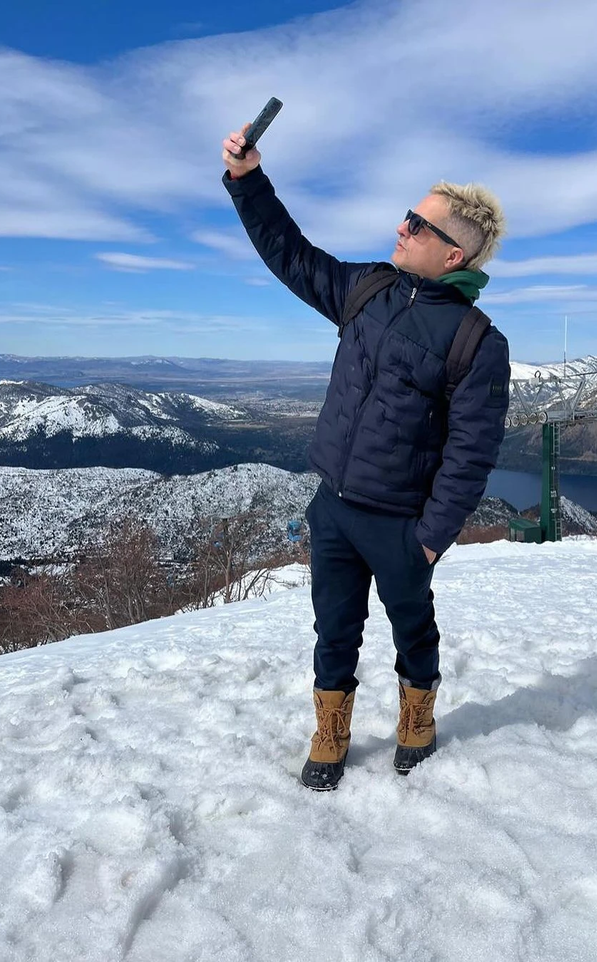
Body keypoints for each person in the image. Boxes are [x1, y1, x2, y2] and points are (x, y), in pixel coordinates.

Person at [222, 123, 510, 791]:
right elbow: (290, 254)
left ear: (452, 255)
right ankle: (332, 730)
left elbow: (472, 452)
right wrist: (248, 180)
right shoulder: (366, 291)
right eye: (408, 216)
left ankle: (417, 719)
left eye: (418, 223)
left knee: (413, 626)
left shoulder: (476, 342)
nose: (401, 227)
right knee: (335, 631)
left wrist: (430, 540)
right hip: (335, 508)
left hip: (402, 523)